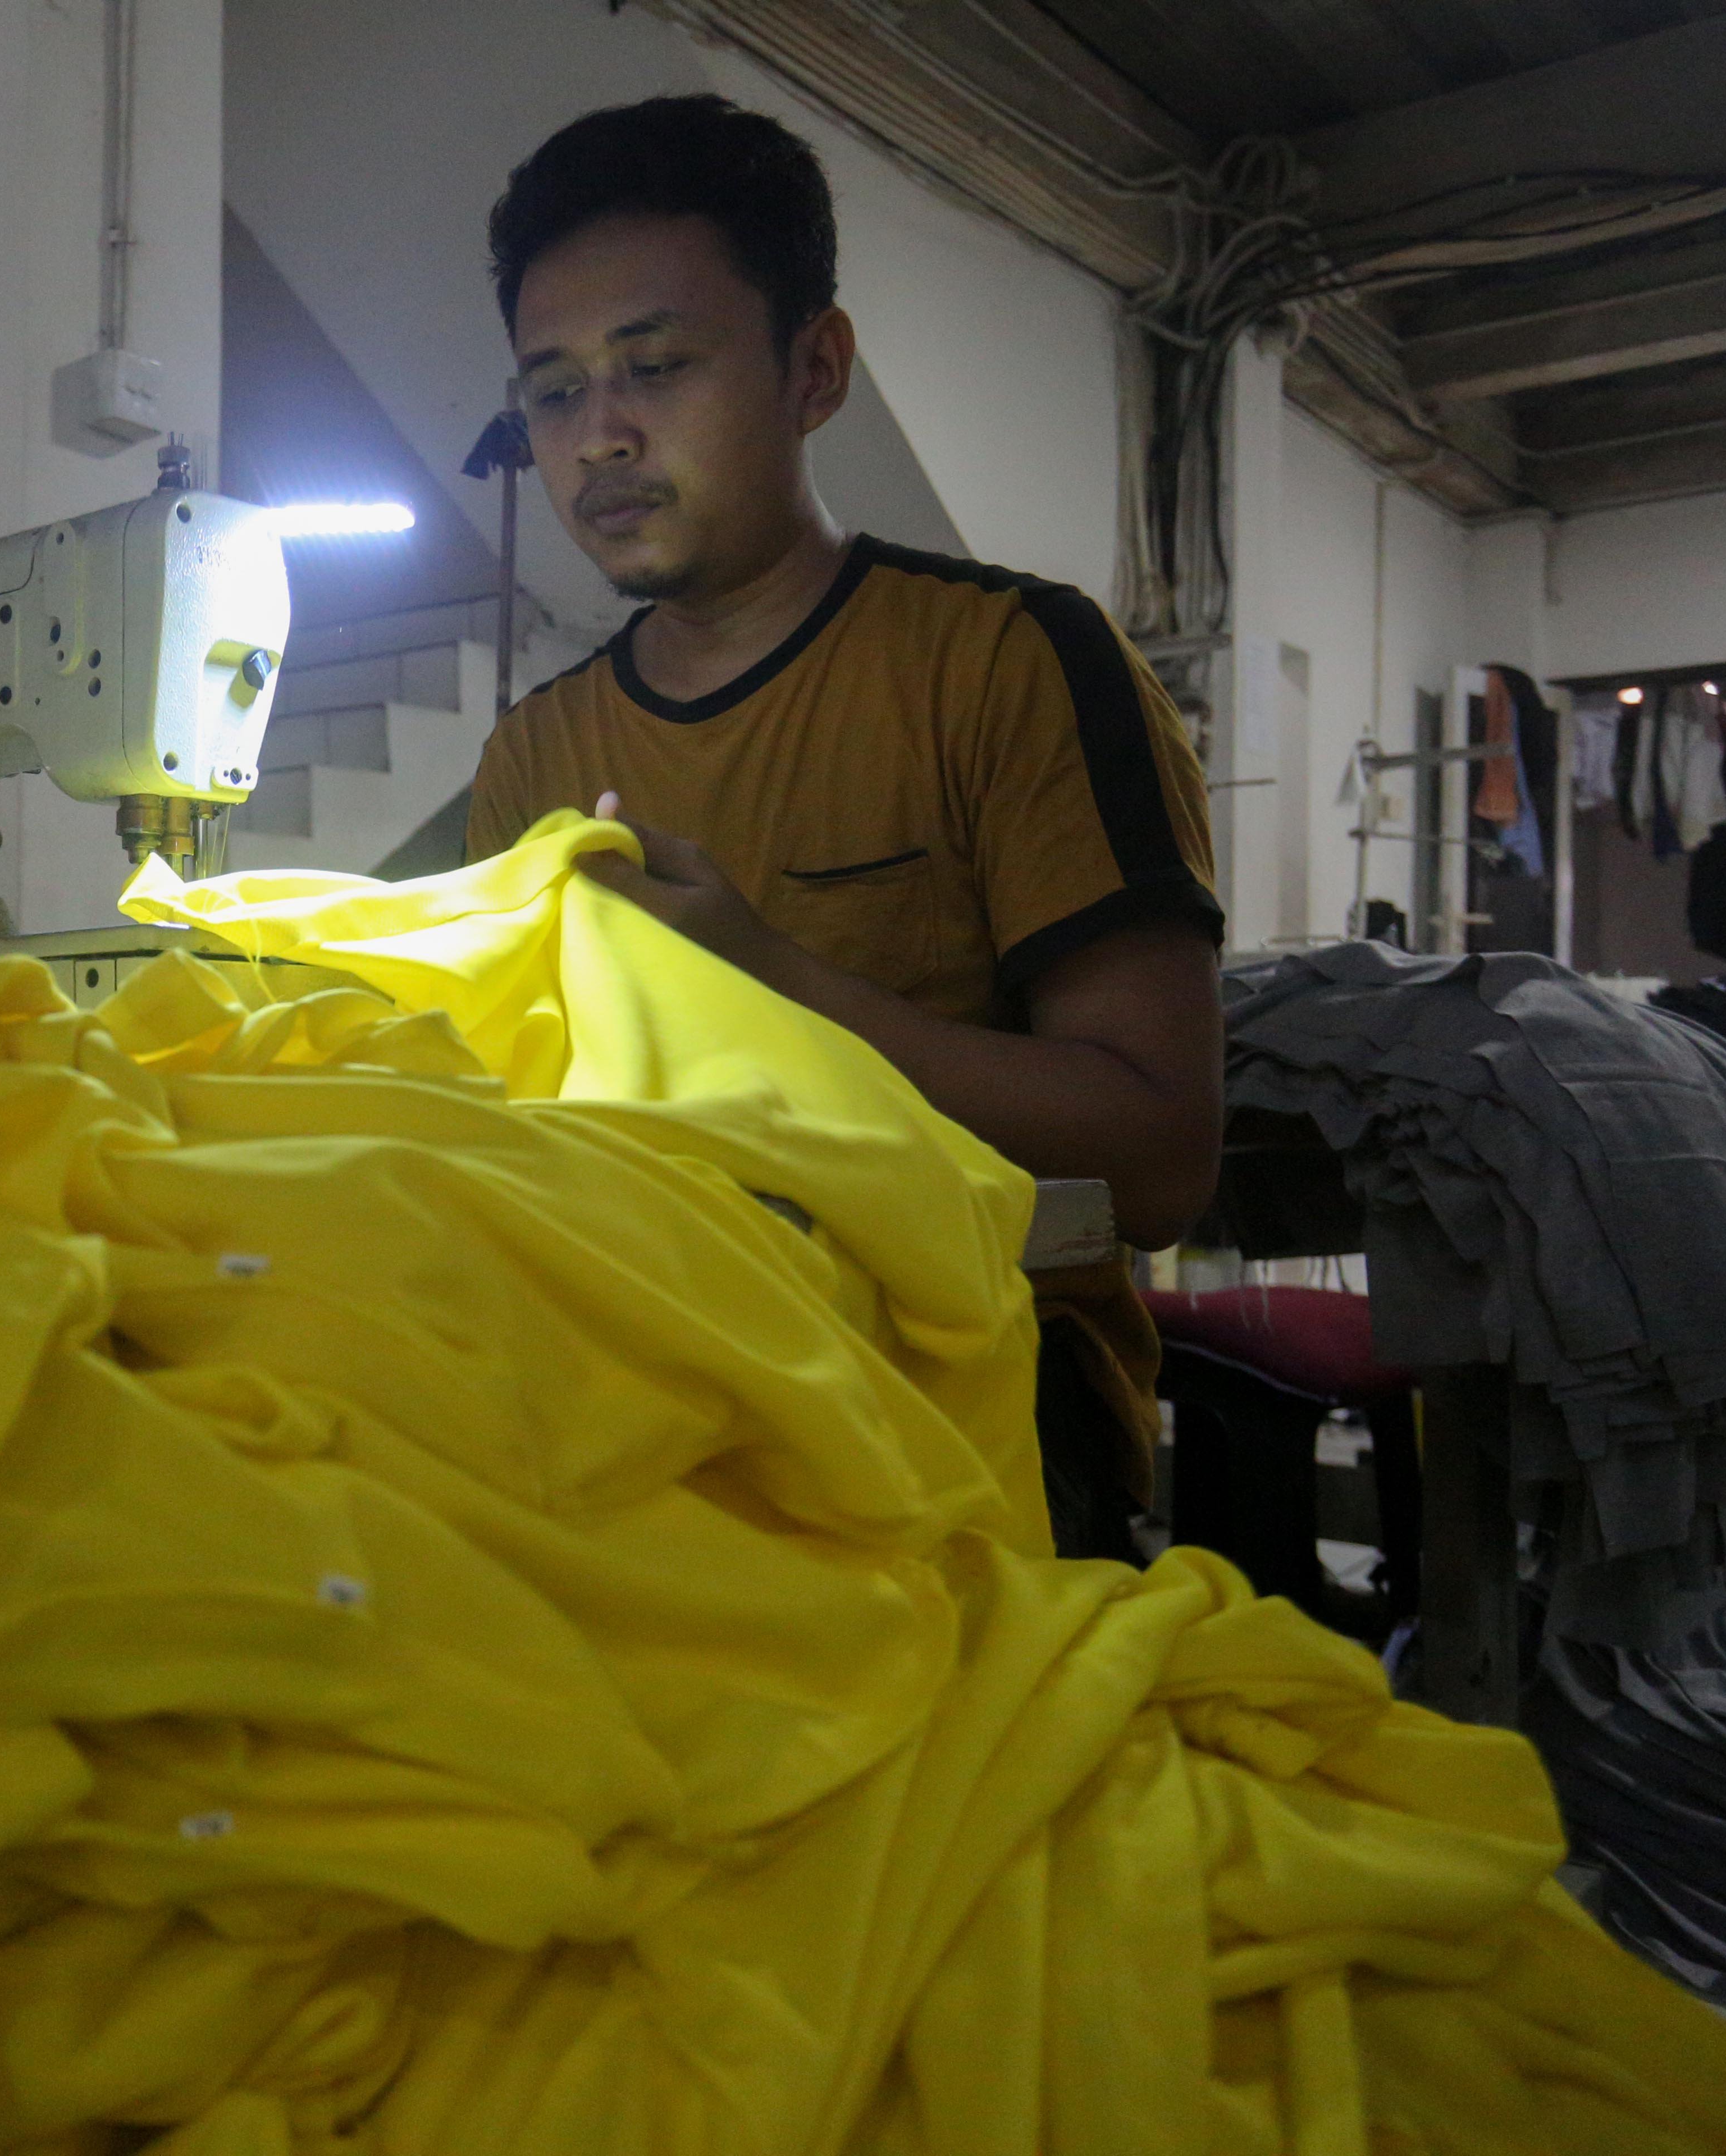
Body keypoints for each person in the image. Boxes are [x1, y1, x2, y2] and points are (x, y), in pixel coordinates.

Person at [463, 95, 1225, 1559]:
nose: (599, 436)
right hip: (647, 1368)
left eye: (656, 367)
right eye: (553, 393)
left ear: (815, 369)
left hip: (980, 1381)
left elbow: (1158, 1166)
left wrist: (779, 991)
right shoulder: (536, 753)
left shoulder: (1014, 666)